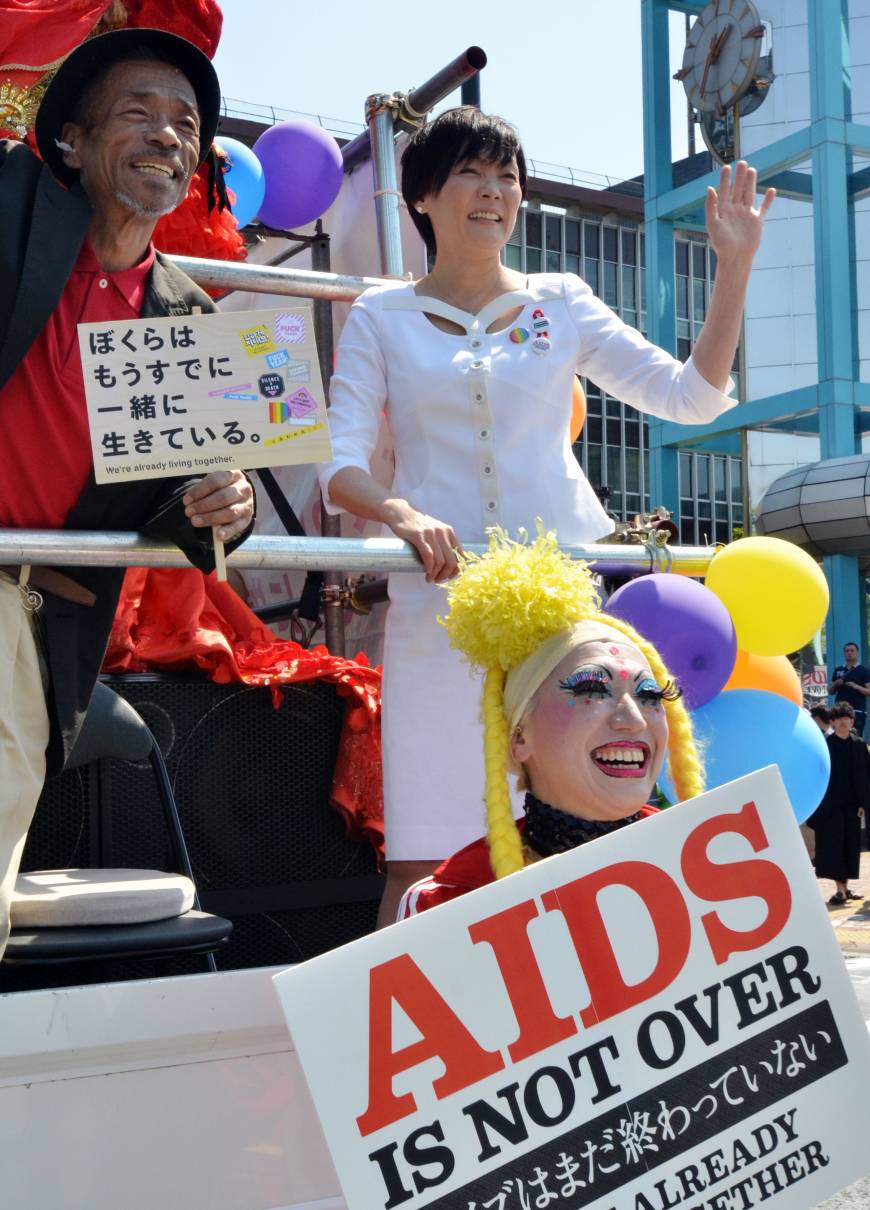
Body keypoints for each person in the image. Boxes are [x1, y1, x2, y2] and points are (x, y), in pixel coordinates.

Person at [317, 106, 774, 924]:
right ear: (423, 195)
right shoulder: (382, 317)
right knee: (422, 857)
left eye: (508, 178)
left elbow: (692, 396)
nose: (494, 194)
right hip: (441, 607)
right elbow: (338, 465)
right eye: (471, 175)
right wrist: (401, 513)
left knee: (585, 836)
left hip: (564, 615)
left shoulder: (561, 300)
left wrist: (733, 266)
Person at [0, 28, 256, 959]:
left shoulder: (190, 316)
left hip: (33, 616)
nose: (166, 136)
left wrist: (226, 505)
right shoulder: (14, 204)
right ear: (69, 141)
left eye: (186, 124)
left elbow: (188, 501)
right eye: (138, 113)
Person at [398, 528, 703, 916]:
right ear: (518, 737)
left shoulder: (725, 859)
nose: (632, 719)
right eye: (592, 688)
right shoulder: (447, 902)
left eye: (650, 696)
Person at [808, 703, 868, 906]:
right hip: (831, 805)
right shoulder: (825, 745)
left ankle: (845, 888)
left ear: (852, 721)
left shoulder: (859, 745)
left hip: (853, 805)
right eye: (840, 718)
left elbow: (866, 776)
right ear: (832, 722)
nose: (844, 721)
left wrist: (864, 802)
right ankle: (840, 890)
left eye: (848, 718)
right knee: (834, 846)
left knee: (851, 846)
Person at [828, 642, 870, 737]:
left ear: (857, 653)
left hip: (857, 711)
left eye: (852, 650)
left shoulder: (864, 671)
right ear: (844, 653)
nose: (849, 653)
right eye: (847, 651)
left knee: (855, 738)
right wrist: (835, 683)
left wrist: (856, 686)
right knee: (839, 736)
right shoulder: (838, 670)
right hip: (839, 711)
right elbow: (830, 691)